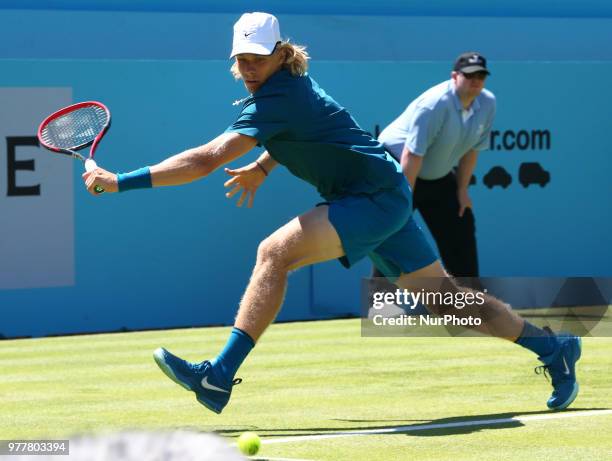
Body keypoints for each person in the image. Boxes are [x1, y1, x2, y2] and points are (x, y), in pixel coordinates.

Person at [82, 12, 581, 414]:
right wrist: (262, 165)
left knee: (273, 254)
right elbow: (300, 134)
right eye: (242, 59)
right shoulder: (292, 87)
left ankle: (217, 377)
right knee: (445, 300)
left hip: (371, 199)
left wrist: (119, 181)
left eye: (259, 57)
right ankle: (553, 348)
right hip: (382, 194)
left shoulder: (278, 96)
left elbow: (207, 159)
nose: (250, 67)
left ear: (279, 54)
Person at [378, 52, 496, 278]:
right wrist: (404, 200)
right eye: (469, 75)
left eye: (481, 75)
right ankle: (382, 308)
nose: (475, 81)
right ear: (454, 76)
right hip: (399, 169)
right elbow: (411, 155)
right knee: (392, 236)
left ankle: (469, 306)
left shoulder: (487, 102)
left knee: (461, 224)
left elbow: (471, 150)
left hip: (437, 174)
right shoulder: (434, 104)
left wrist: (461, 190)